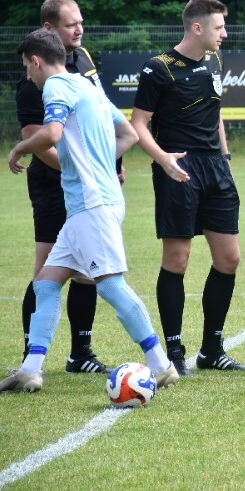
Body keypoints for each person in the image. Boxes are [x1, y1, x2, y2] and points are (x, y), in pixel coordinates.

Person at [1, 29, 179, 393]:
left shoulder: (55, 87)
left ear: (36, 61)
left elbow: (50, 135)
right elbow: (128, 135)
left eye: (27, 68)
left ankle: (161, 364)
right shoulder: (88, 87)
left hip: (91, 205)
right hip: (93, 202)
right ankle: (31, 369)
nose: (29, 76)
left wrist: (19, 148)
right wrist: (97, 162)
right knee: (47, 282)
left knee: (111, 285)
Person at [130, 0, 245, 375]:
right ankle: (174, 353)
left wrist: (225, 159)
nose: (224, 34)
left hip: (216, 168)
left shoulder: (214, 60)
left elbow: (215, 115)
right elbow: (138, 124)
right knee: (177, 260)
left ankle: (212, 350)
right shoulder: (158, 69)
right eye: (219, 27)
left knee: (229, 258)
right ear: (197, 28)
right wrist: (162, 159)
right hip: (177, 167)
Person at [13, 0, 114, 374]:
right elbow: (38, 141)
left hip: (91, 183)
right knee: (47, 271)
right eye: (72, 24)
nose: (80, 29)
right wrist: (78, 170)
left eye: (81, 22)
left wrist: (106, 165)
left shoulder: (83, 62)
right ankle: (30, 358)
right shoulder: (33, 77)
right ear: (49, 29)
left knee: (89, 269)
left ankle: (81, 354)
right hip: (55, 185)